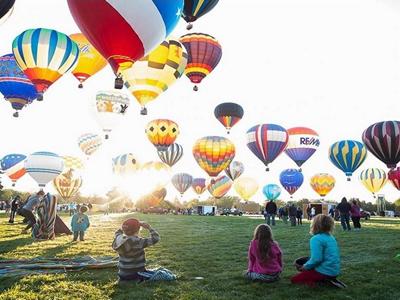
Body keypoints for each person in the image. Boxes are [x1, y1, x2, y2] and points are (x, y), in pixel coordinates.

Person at [113, 218, 174, 283]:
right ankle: (139, 279)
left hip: (123, 274)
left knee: (158, 271)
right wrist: (149, 228)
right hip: (136, 273)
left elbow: (118, 232)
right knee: (165, 275)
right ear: (138, 230)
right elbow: (156, 238)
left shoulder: (118, 239)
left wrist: (126, 226)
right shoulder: (138, 241)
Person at [291, 214, 345, 288]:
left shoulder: (316, 239)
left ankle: (324, 282)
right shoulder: (331, 237)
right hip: (334, 271)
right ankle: (331, 279)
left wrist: (305, 267)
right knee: (306, 263)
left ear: (315, 225)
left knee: (294, 280)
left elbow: (317, 259)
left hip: (324, 271)